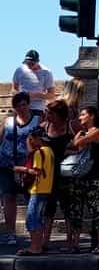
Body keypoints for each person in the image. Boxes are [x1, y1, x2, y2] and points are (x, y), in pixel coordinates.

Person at [1, 92, 41, 246]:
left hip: (27, 165)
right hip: (7, 164)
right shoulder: (8, 121)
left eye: (24, 104)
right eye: (18, 106)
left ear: (28, 104)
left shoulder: (37, 120)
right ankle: (10, 232)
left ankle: (34, 232)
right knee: (8, 197)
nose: (21, 108)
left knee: (31, 199)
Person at [64, 106, 99, 254]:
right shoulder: (83, 132)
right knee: (76, 210)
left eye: (83, 115)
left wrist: (78, 138)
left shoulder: (97, 131)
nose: (80, 117)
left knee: (95, 210)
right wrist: (78, 138)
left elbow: (75, 145)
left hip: (92, 177)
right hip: (78, 175)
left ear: (92, 116)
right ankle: (74, 244)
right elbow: (69, 147)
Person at [14, 127, 53, 256]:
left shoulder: (38, 152)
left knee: (31, 219)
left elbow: (36, 171)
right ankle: (38, 245)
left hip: (37, 189)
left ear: (37, 139)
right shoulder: (49, 151)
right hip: (46, 189)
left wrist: (20, 169)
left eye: (31, 139)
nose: (29, 141)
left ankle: (35, 247)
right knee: (38, 218)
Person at [40, 99, 72, 251]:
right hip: (48, 173)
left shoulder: (70, 127)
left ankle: (70, 240)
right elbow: (31, 143)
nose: (47, 115)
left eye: (50, 113)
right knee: (48, 208)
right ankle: (45, 241)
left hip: (67, 173)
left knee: (68, 207)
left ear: (59, 115)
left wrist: (71, 151)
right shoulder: (44, 127)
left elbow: (83, 144)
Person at [13, 50, 55, 116]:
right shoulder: (19, 70)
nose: (29, 65)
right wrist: (21, 96)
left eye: (32, 63)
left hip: (37, 109)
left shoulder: (46, 72)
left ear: (38, 62)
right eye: (27, 63)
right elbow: (14, 88)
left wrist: (35, 95)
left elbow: (51, 95)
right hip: (21, 108)